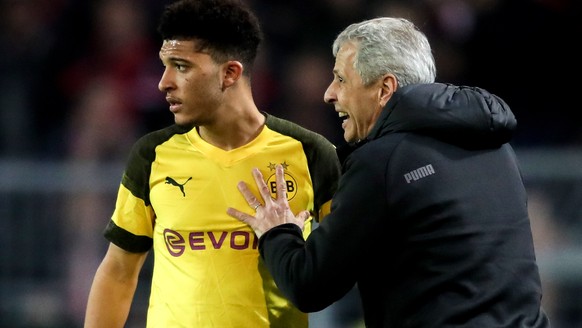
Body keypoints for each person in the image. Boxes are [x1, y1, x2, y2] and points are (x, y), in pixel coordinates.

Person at [227, 17, 551, 327]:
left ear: (385, 89)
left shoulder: (381, 163)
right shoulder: (497, 148)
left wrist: (278, 229)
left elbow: (309, 284)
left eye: (341, 79)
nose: (329, 93)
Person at [83, 0, 341, 327]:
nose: (164, 82)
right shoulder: (152, 154)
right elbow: (119, 271)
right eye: (165, 65)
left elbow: (347, 264)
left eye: (181, 66)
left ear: (230, 72)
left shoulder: (310, 153)